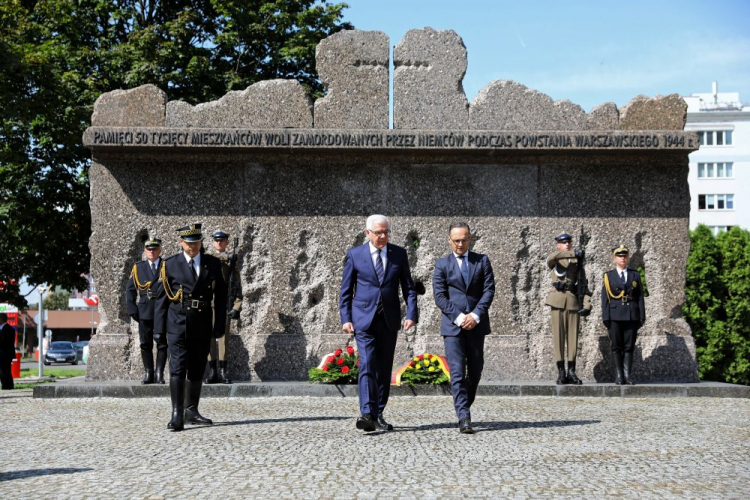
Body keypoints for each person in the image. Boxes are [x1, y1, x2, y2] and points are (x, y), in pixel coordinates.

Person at [340, 215, 418, 432]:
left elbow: (409, 288)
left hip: (389, 320)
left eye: (386, 232)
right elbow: (346, 291)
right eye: (378, 233)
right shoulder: (355, 255)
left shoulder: (398, 254)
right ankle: (366, 412)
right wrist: (346, 318)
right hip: (364, 321)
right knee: (367, 365)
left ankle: (379, 413)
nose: (383, 236)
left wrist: (411, 314)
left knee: (383, 369)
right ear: (368, 233)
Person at [155, 223, 227, 431]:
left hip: (203, 322)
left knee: (197, 369)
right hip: (178, 322)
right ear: (181, 243)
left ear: (201, 243)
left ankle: (191, 410)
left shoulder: (211, 264)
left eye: (195, 243)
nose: (192, 247)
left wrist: (219, 324)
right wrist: (159, 330)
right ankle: (177, 413)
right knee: (177, 368)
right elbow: (161, 300)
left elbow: (221, 296)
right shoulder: (170, 264)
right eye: (188, 243)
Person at [433, 222, 495, 434]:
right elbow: (440, 297)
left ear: (470, 239)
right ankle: (464, 417)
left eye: (464, 239)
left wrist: (475, 315)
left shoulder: (482, 261)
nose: (460, 244)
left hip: (477, 326)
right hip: (453, 327)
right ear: (449, 240)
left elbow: (489, 291)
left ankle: (464, 406)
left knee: (475, 371)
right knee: (457, 373)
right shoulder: (442, 264)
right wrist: (460, 318)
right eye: (456, 240)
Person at [544, 233, 591, 385]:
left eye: (569, 242)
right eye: (563, 243)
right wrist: (573, 253)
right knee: (558, 338)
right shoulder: (555, 258)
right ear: (558, 245)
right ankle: (561, 372)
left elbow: (583, 284)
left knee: (572, 338)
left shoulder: (577, 262)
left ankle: (571, 370)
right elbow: (551, 258)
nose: (567, 245)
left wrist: (587, 304)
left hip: (572, 301)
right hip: (556, 300)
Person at [125, 235, 168, 384]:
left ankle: (159, 374)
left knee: (162, 342)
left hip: (162, 310)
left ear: (160, 250)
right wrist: (132, 309)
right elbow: (130, 289)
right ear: (145, 251)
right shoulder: (138, 267)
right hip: (144, 310)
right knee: (145, 343)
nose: (152, 252)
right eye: (149, 249)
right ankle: (149, 373)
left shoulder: (165, 266)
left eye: (155, 249)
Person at [601, 244, 645, 385]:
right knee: (616, 346)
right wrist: (606, 317)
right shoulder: (608, 276)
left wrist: (642, 316)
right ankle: (619, 376)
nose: (623, 258)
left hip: (631, 314)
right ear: (614, 258)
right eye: (619, 256)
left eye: (625, 256)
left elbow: (639, 297)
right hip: (614, 315)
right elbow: (605, 298)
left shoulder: (635, 275)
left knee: (629, 346)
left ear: (628, 257)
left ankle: (627, 375)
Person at [204, 230, 242, 385]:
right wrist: (226, 257)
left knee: (223, 340)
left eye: (222, 241)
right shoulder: (208, 257)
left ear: (226, 243)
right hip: (209, 304)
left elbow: (237, 288)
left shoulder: (231, 264)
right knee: (209, 339)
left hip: (224, 304)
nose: (219, 243)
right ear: (213, 242)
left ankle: (222, 371)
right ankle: (212, 371)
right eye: (217, 241)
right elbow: (209, 255)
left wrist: (237, 307)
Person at [0, 314, 16, 390]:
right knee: (3, 371)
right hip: (2, 354)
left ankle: (7, 386)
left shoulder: (9, 329)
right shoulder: (2, 329)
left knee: (5, 371)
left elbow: (4, 342)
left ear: (1, 319)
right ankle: (5, 385)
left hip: (5, 354)